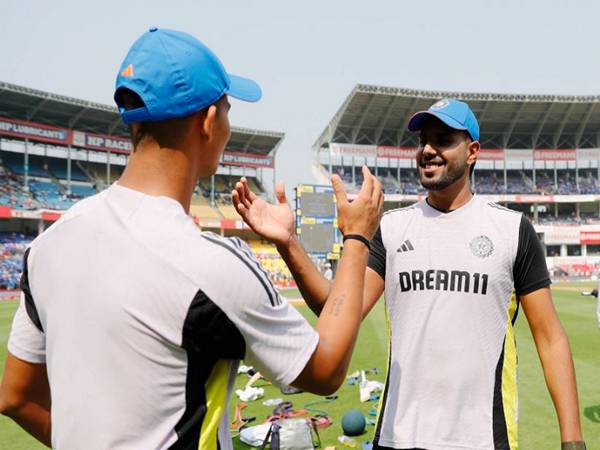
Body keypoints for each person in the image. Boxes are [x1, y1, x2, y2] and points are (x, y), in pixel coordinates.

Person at [0, 28, 383, 449]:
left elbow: (17, 397)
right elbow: (326, 367)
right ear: (207, 121)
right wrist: (356, 236)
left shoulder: (50, 245)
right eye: (227, 110)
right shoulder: (213, 265)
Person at [232, 99, 586, 450]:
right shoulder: (392, 228)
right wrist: (288, 243)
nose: (428, 149)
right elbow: (336, 309)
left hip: (482, 439)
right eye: (423, 141)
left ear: (473, 151)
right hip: (397, 437)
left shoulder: (512, 230)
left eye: (443, 139)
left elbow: (550, 339)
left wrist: (573, 440)